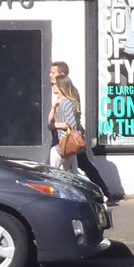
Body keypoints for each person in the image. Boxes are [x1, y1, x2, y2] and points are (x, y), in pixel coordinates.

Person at [48, 62, 112, 197]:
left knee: (79, 168)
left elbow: (72, 122)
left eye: (53, 73)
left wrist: (55, 126)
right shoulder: (60, 96)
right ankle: (99, 193)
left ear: (62, 75)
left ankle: (101, 193)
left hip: (70, 139)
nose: (50, 75)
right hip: (61, 139)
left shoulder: (69, 97)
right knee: (74, 169)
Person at [47, 61, 86, 174]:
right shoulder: (59, 102)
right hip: (61, 143)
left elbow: (71, 124)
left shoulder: (67, 103)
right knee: (71, 174)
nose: (52, 86)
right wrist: (53, 109)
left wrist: (55, 126)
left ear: (60, 86)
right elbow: (50, 121)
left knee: (55, 174)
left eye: (54, 85)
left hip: (65, 144)